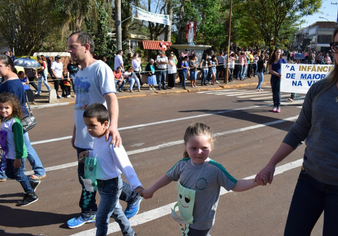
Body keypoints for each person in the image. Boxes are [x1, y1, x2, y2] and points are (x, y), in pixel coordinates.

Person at [255, 21, 338, 236]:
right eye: (337, 46)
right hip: (309, 180)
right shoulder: (320, 88)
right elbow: (300, 129)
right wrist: (271, 164)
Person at [67, 31, 142, 229]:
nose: (69, 51)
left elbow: (111, 99)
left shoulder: (101, 68)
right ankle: (93, 210)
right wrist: (75, 131)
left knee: (97, 176)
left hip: (98, 136)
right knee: (88, 178)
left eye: (73, 46)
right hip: (83, 136)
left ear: (86, 47)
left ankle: (127, 198)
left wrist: (114, 127)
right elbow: (79, 104)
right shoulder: (79, 73)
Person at [141, 122, 262, 236]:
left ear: (211, 146)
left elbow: (235, 185)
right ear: (185, 146)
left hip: (201, 223)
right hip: (186, 216)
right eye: (194, 148)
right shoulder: (182, 165)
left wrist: (255, 182)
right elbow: (168, 176)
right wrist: (151, 189)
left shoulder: (215, 170)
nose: (199, 152)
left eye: (204, 148)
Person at [79, 103, 143, 235]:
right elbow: (101, 155)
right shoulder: (97, 138)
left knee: (101, 219)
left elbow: (125, 164)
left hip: (111, 186)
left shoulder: (113, 141)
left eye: (92, 125)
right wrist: (88, 154)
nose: (89, 129)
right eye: (87, 125)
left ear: (105, 124)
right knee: (117, 213)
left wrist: (136, 185)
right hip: (102, 185)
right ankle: (130, 234)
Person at [0, 55, 46, 181]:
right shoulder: (9, 80)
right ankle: (38, 170)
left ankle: (38, 170)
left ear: (8, 66)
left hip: (15, 120)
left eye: (0, 66)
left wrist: (8, 120)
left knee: (19, 145)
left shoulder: (11, 84)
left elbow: (11, 104)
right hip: (14, 119)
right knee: (18, 144)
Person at [0, 93, 41, 206]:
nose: (3, 110)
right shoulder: (4, 120)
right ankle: (31, 181)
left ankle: (31, 194)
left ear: (13, 108)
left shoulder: (15, 123)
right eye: (1, 108)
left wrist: (18, 158)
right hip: (8, 155)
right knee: (10, 173)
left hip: (17, 155)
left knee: (18, 175)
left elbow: (19, 142)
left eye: (7, 108)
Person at [268, 48, 287, 113]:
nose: (278, 53)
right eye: (277, 52)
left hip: (280, 78)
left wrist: (282, 74)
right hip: (273, 77)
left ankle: (278, 106)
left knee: (278, 92)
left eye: (279, 52)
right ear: (274, 53)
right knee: (274, 92)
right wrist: (276, 74)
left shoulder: (283, 60)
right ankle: (274, 106)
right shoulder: (272, 60)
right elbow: (270, 70)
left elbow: (287, 68)